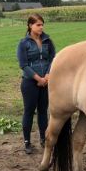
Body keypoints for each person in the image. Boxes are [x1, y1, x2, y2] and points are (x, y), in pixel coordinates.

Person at [16, 14, 56, 154]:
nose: (41, 27)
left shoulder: (47, 41)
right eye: (38, 24)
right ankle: (27, 142)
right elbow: (23, 64)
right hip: (29, 83)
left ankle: (43, 139)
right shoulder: (23, 43)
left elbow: (52, 59)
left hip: (46, 82)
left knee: (43, 112)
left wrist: (47, 76)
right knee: (28, 111)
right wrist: (38, 79)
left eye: (42, 24)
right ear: (30, 25)